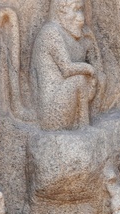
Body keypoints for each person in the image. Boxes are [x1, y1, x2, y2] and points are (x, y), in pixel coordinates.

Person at [31, 0, 102, 130]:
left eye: (81, 10)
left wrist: (90, 40)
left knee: (84, 80)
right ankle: (83, 125)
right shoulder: (51, 32)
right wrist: (89, 69)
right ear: (60, 11)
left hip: (64, 104)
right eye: (75, 9)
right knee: (79, 79)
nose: (81, 17)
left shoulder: (68, 35)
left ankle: (83, 125)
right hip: (51, 114)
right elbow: (67, 69)